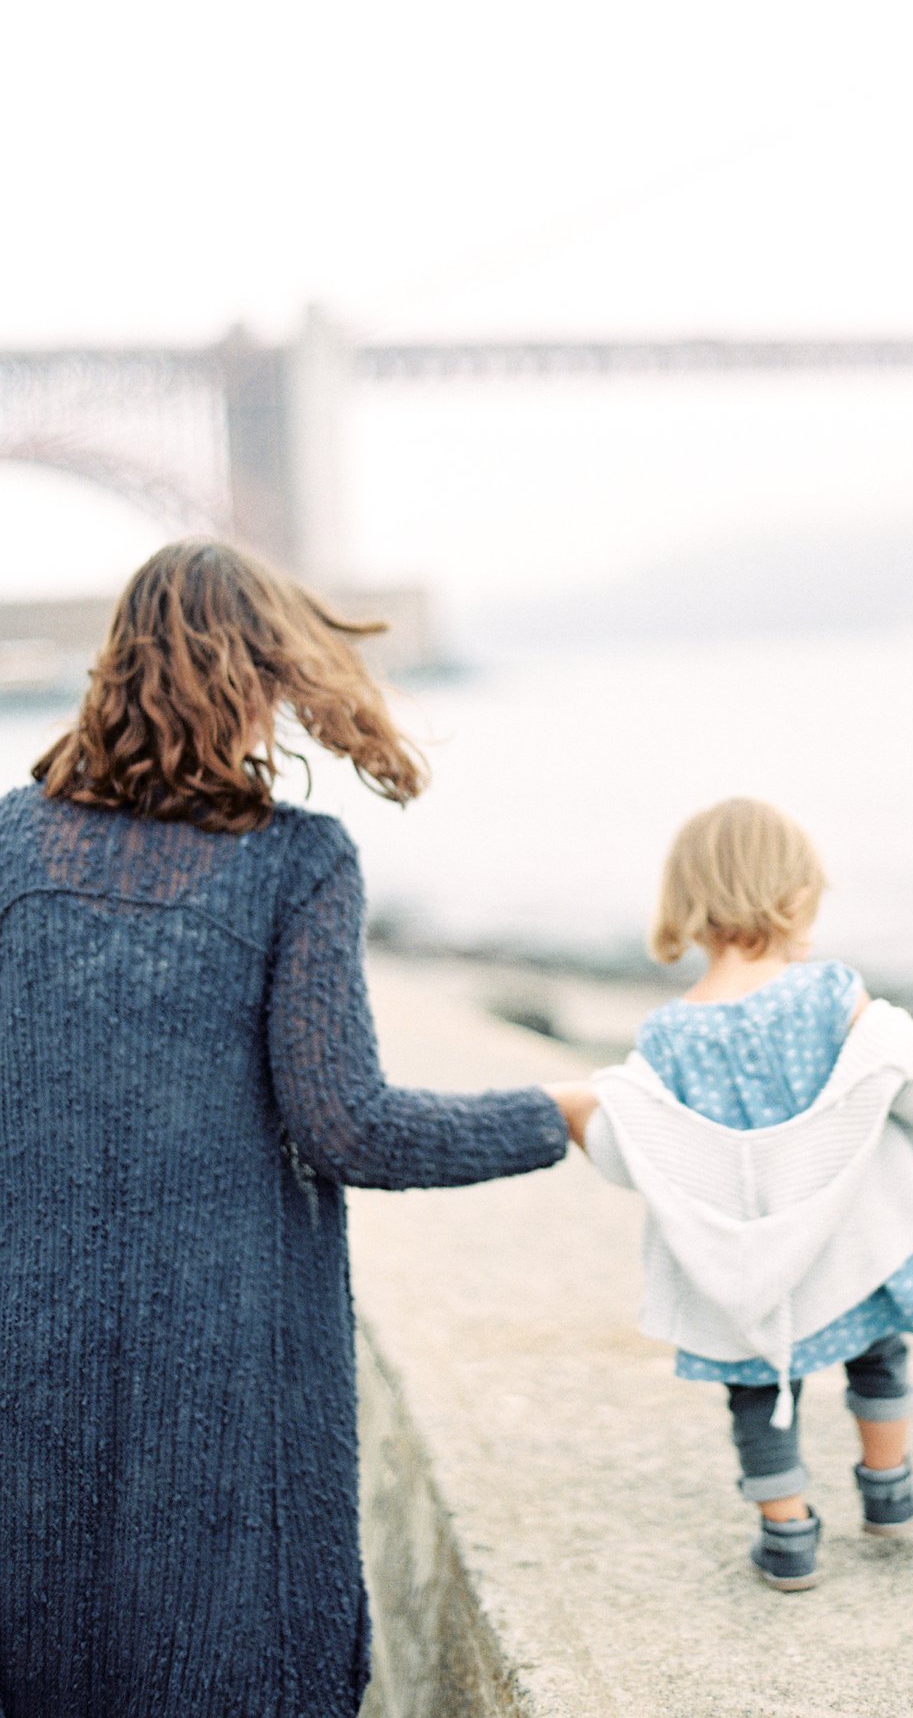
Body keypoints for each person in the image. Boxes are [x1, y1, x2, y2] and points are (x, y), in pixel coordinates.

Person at [0, 540, 596, 1718]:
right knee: (228, 1656)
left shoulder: (11, 845)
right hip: (223, 1366)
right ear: (263, 676)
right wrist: (553, 1113)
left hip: (24, 1342)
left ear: (114, 665)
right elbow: (348, 1125)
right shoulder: (296, 862)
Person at [583, 796, 913, 1591]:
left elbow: (634, 1150)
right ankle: (888, 1492)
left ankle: (786, 1537)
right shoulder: (828, 994)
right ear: (791, 897)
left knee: (756, 1387)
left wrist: (582, 1118)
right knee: (879, 1355)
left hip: (751, 1263)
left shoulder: (666, 1036)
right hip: (852, 1244)